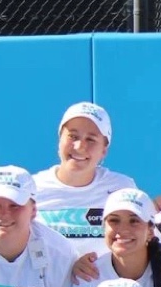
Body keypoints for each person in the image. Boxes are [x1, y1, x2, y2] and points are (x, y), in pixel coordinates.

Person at [34, 102, 138, 260]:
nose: (79, 146)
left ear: (104, 150)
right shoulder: (33, 188)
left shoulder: (122, 188)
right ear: (59, 139)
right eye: (72, 136)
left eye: (91, 139)